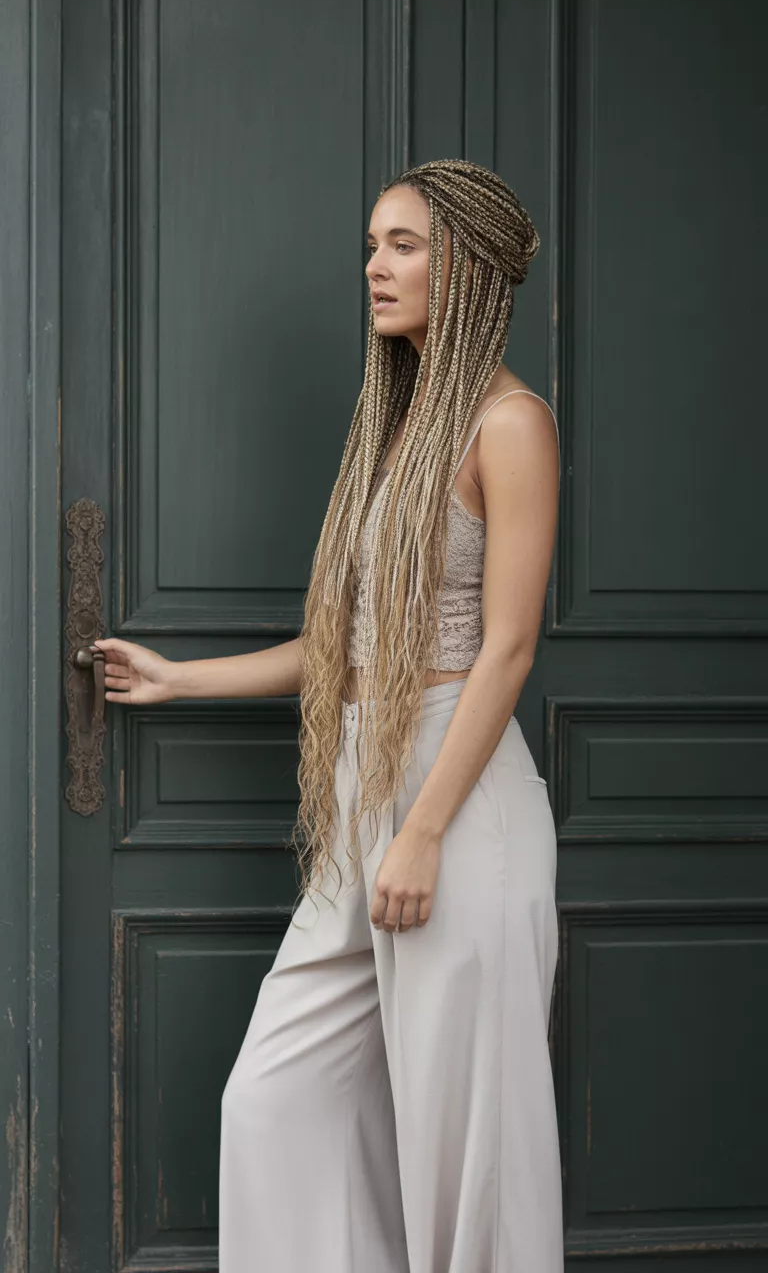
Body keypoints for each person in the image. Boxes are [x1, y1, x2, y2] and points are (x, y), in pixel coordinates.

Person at [94, 158, 563, 1272]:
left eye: (403, 244)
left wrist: (425, 828)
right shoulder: (396, 433)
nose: (374, 268)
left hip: (458, 811)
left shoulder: (510, 425)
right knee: (274, 1100)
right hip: (367, 807)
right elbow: (351, 653)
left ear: (471, 266)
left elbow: (505, 648)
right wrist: (176, 679)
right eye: (370, 245)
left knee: (469, 1161)